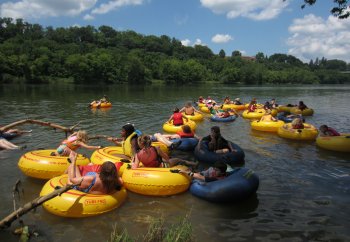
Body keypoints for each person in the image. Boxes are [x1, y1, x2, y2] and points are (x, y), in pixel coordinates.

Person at [131, 135, 197, 169]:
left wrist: (132, 162)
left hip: (149, 167)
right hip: (161, 167)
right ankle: (193, 164)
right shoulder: (156, 148)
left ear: (140, 144)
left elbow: (135, 167)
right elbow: (167, 158)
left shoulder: (137, 154)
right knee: (177, 160)